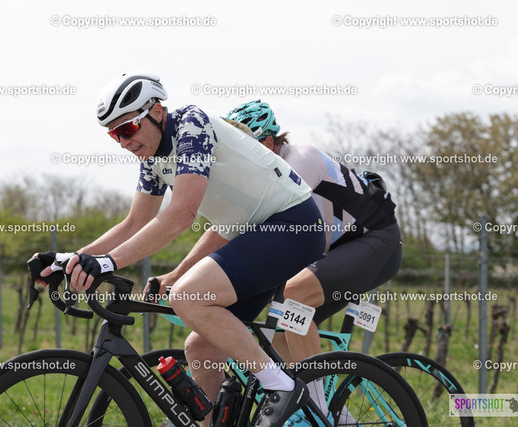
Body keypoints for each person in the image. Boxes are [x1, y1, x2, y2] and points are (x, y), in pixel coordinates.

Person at [34, 74, 326, 427]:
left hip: (292, 223)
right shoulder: (152, 155)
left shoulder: (192, 124)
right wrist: (73, 258)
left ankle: (282, 388)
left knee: (188, 296)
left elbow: (182, 213)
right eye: (114, 135)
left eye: (127, 129)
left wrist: (109, 262)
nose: (123, 142)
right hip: (253, 235)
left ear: (157, 112)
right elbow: (135, 221)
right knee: (200, 348)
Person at [226, 100, 402, 424]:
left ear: (268, 143)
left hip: (377, 240)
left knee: (295, 295)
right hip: (341, 250)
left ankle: (314, 411)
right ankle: (339, 418)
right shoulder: (265, 178)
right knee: (282, 336)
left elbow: (303, 241)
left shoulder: (299, 161)